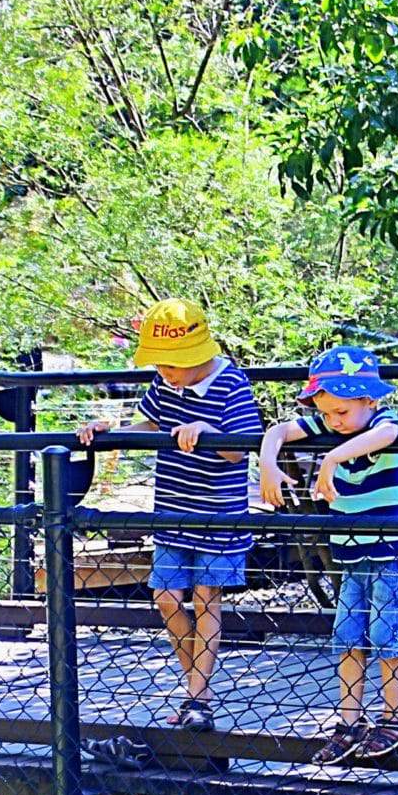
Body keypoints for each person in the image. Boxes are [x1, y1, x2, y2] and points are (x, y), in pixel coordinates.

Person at [79, 298, 261, 731]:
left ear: (197, 357)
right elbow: (150, 425)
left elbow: (241, 447)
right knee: (164, 596)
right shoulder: (165, 385)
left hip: (218, 515)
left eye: (171, 365)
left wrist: (208, 433)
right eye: (159, 366)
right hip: (173, 512)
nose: (164, 374)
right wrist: (110, 431)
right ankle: (197, 690)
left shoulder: (231, 384)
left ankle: (197, 696)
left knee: (206, 599)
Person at [259, 345, 398, 764]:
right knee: (347, 636)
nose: (333, 422)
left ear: (369, 401)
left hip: (393, 554)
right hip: (352, 556)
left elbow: (387, 435)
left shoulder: (381, 422)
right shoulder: (332, 420)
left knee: (388, 634)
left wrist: (331, 457)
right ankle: (349, 722)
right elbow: (278, 431)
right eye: (327, 413)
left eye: (341, 413)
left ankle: (395, 718)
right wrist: (267, 464)